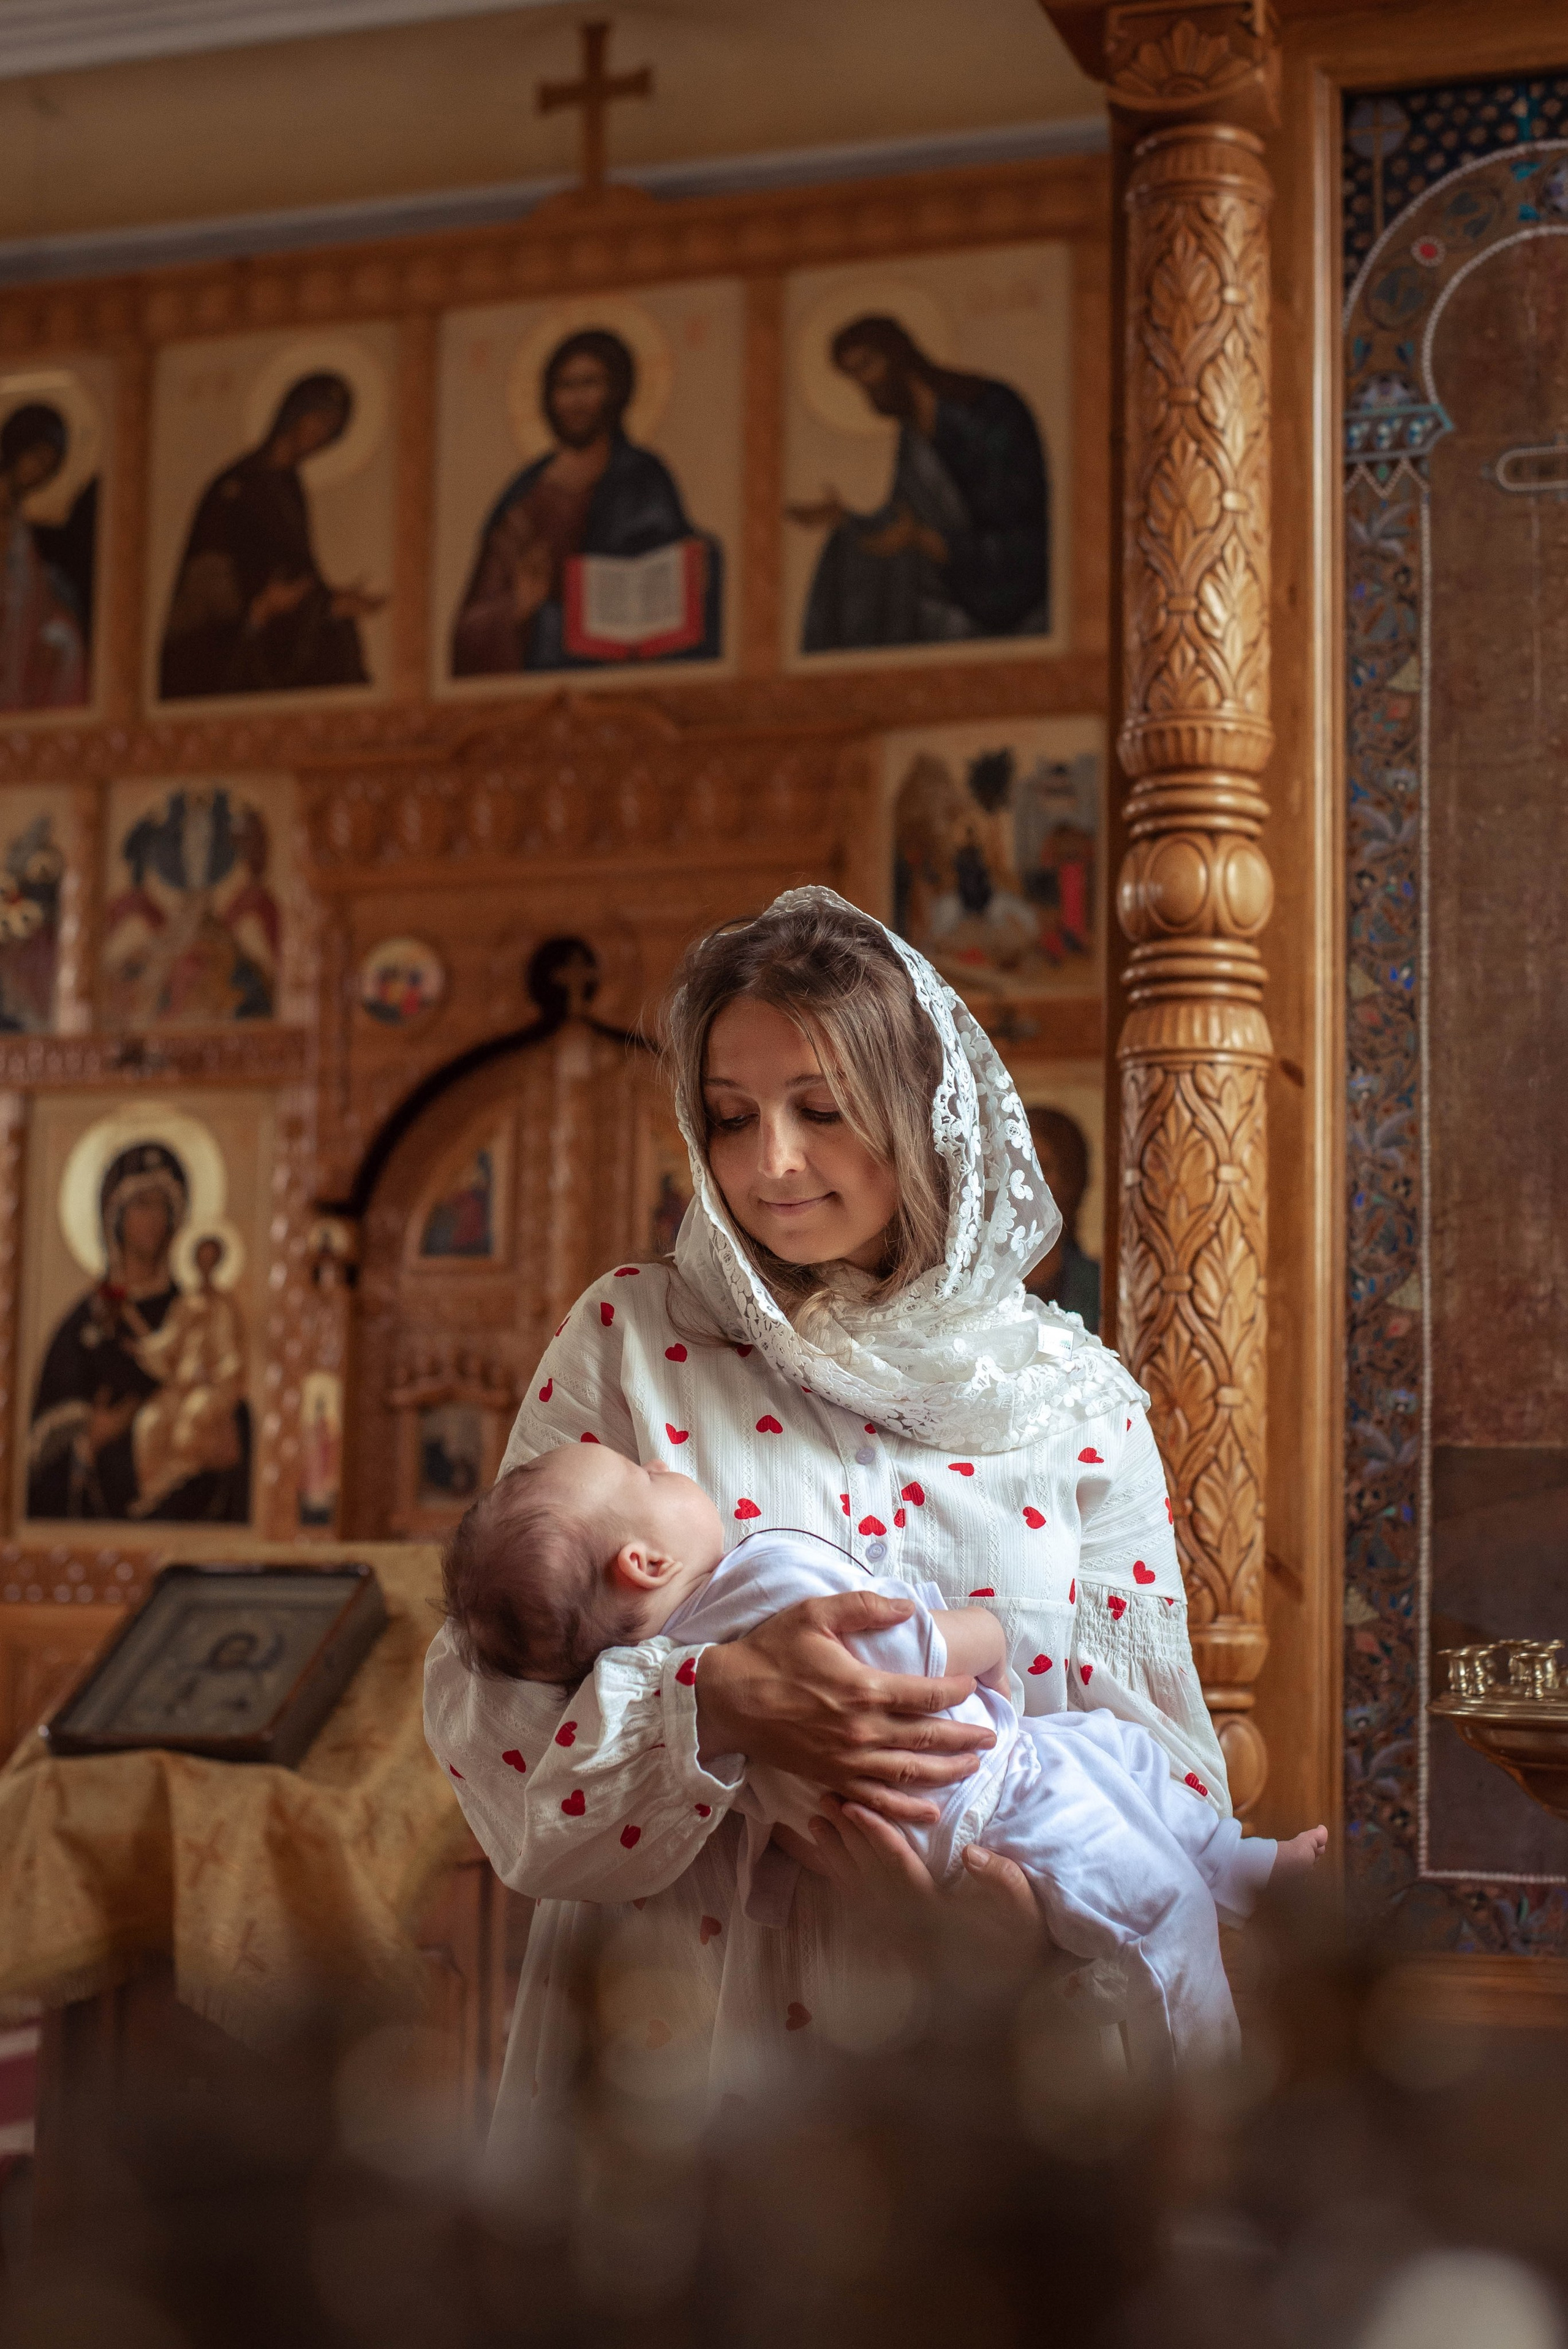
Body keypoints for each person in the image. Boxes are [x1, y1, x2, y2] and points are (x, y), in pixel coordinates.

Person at [423, 886, 1229, 2146]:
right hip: (683, 2050)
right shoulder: (631, 1342)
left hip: (994, 2048)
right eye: (730, 1119)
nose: (768, 1163)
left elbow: (1165, 1763)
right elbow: (499, 1755)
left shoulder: (1068, 1401)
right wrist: (719, 1701)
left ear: (916, 1116)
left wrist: (1008, 1914)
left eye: (820, 1111)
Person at [438, 1444, 1326, 2068]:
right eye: (646, 1472)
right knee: (1162, 1912)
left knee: (1125, 1751)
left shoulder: (651, 1652)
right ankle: (1202, 2106)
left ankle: (1245, 1866)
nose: (664, 1464)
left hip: (984, 1817)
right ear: (643, 1559)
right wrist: (987, 1631)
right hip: (989, 1806)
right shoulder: (762, 1577)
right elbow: (903, 1660)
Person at [451, 327, 723, 674]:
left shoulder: (643, 476)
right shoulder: (524, 496)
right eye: (565, 386)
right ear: (548, 396)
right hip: (546, 674)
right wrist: (517, 607)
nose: (575, 400)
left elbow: (678, 561)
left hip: (630, 678)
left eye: (589, 384)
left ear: (616, 392)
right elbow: (470, 627)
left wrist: (700, 565)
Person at [786, 315, 1049, 652]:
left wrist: (926, 540)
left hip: (1004, 589)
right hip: (948, 586)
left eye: (866, 365)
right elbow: (906, 519)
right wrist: (846, 518)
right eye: (853, 376)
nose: (864, 384)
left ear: (897, 355)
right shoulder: (914, 433)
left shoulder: (987, 411)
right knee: (842, 553)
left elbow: (1015, 524)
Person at [26, 1144, 251, 1522]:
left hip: (190, 1508)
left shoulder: (194, 1310)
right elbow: (43, 1436)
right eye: (141, 1205)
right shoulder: (86, 1320)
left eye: (163, 1206)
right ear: (115, 1216)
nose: (154, 1219)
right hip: (103, 1513)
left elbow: (227, 1392)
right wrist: (89, 1428)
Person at [159, 372, 384, 699]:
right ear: (295, 413)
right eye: (320, 420)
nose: (322, 435)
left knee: (339, 639)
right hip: (235, 635)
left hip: (284, 624)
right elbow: (205, 586)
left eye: (333, 430)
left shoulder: (289, 489)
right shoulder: (235, 486)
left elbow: (295, 568)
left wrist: (328, 601)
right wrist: (262, 606)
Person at [119, 1232, 247, 1520]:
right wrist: (144, 1348)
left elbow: (231, 1355)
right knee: (149, 1422)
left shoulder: (225, 1306)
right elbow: (169, 1342)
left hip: (211, 1387)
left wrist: (216, 1376)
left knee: (193, 1416)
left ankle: (177, 1485)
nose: (205, 1267)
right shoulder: (184, 1304)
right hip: (181, 1387)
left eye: (211, 1261)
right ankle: (152, 1491)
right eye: (200, 1260)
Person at [0, 401, 89, 711]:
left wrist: (57, 629)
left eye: (49, 468)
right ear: (16, 447)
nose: (39, 473)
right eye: (37, 458)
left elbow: (33, 589)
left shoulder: (21, 522)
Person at [1025, 1105, 1101, 1332]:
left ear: (1071, 1181)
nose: (1026, 1182)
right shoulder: (980, 1283)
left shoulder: (1099, 1285)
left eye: (1042, 1168)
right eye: (1020, 1166)